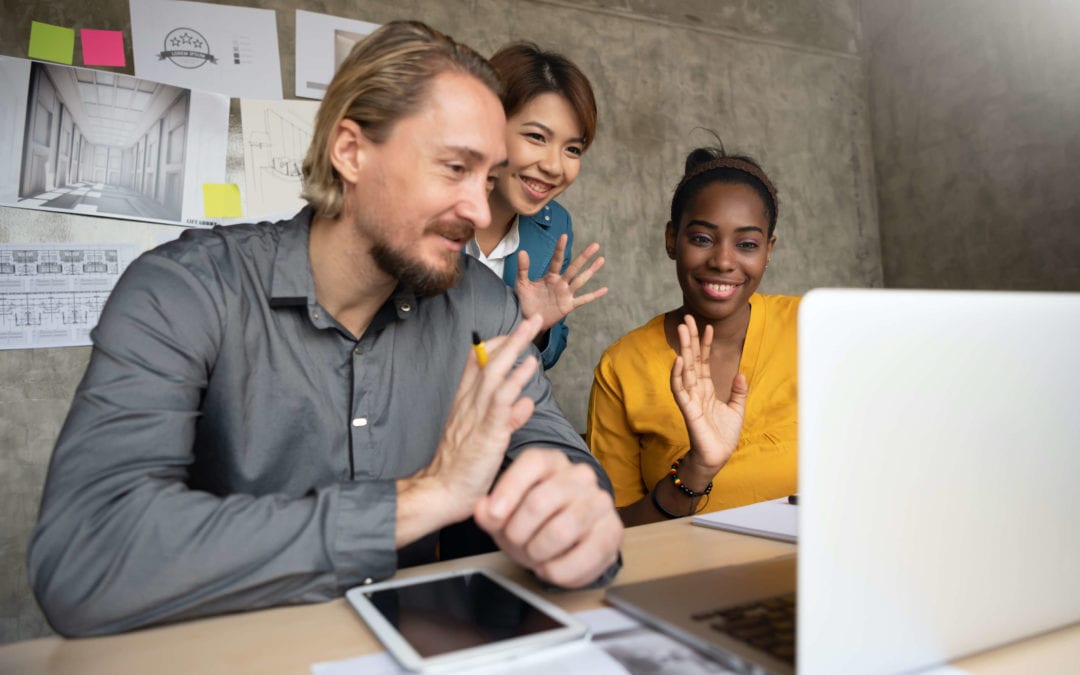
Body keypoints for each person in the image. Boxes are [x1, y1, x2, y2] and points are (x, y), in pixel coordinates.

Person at [28, 20, 623, 637]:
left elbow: (555, 453)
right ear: (351, 151)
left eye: (488, 176)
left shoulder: (484, 308)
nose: (478, 210)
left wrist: (576, 508)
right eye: (454, 168)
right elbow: (85, 559)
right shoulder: (184, 292)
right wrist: (423, 498)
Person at [586, 146, 799, 526]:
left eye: (747, 244)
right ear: (672, 240)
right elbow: (610, 533)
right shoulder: (622, 366)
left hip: (814, 577)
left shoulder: (812, 328)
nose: (722, 260)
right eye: (702, 238)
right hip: (690, 580)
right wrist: (698, 468)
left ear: (769, 250)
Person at [465, 42, 607, 369]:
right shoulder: (428, 207)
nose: (554, 166)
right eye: (537, 137)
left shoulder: (556, 224)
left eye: (572, 149)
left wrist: (538, 329)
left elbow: (547, 356)